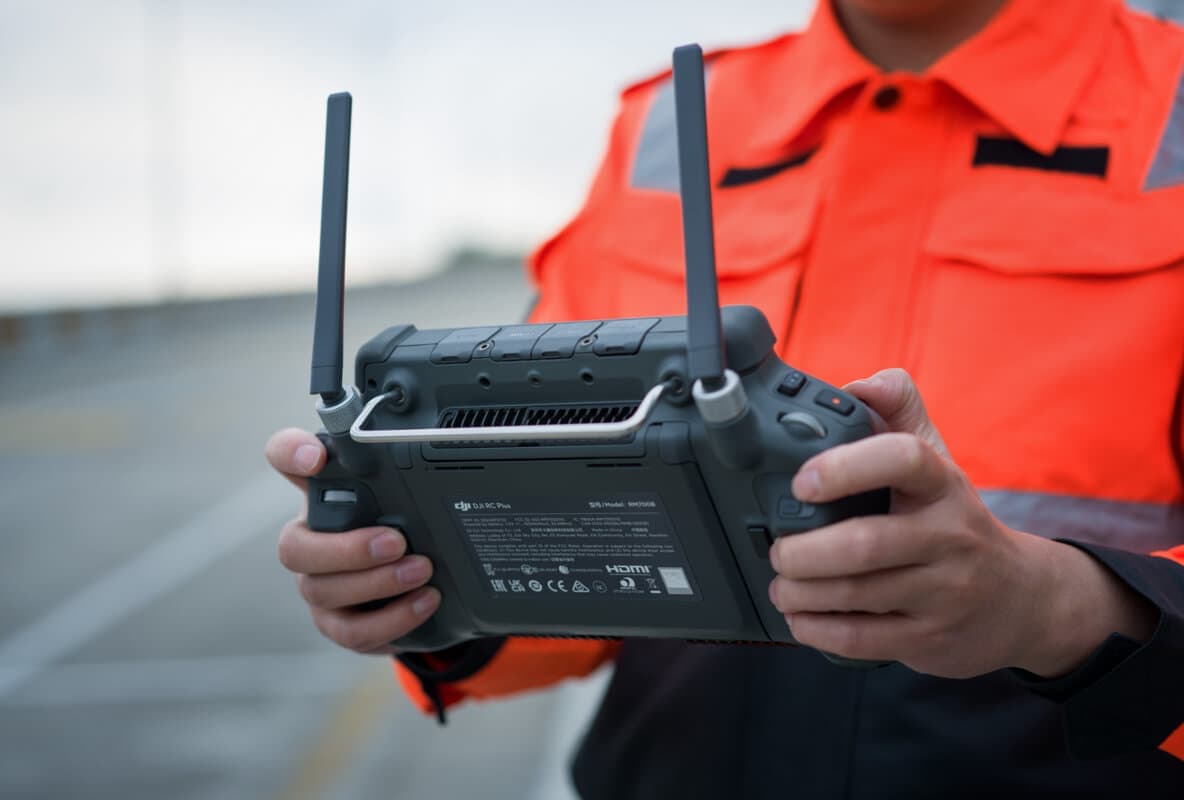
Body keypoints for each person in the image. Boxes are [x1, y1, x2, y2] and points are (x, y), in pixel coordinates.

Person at [266, 0, 1184, 795]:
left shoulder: (1168, 99)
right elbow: (566, 573)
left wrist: (1051, 607)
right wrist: (424, 585)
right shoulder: (668, 125)